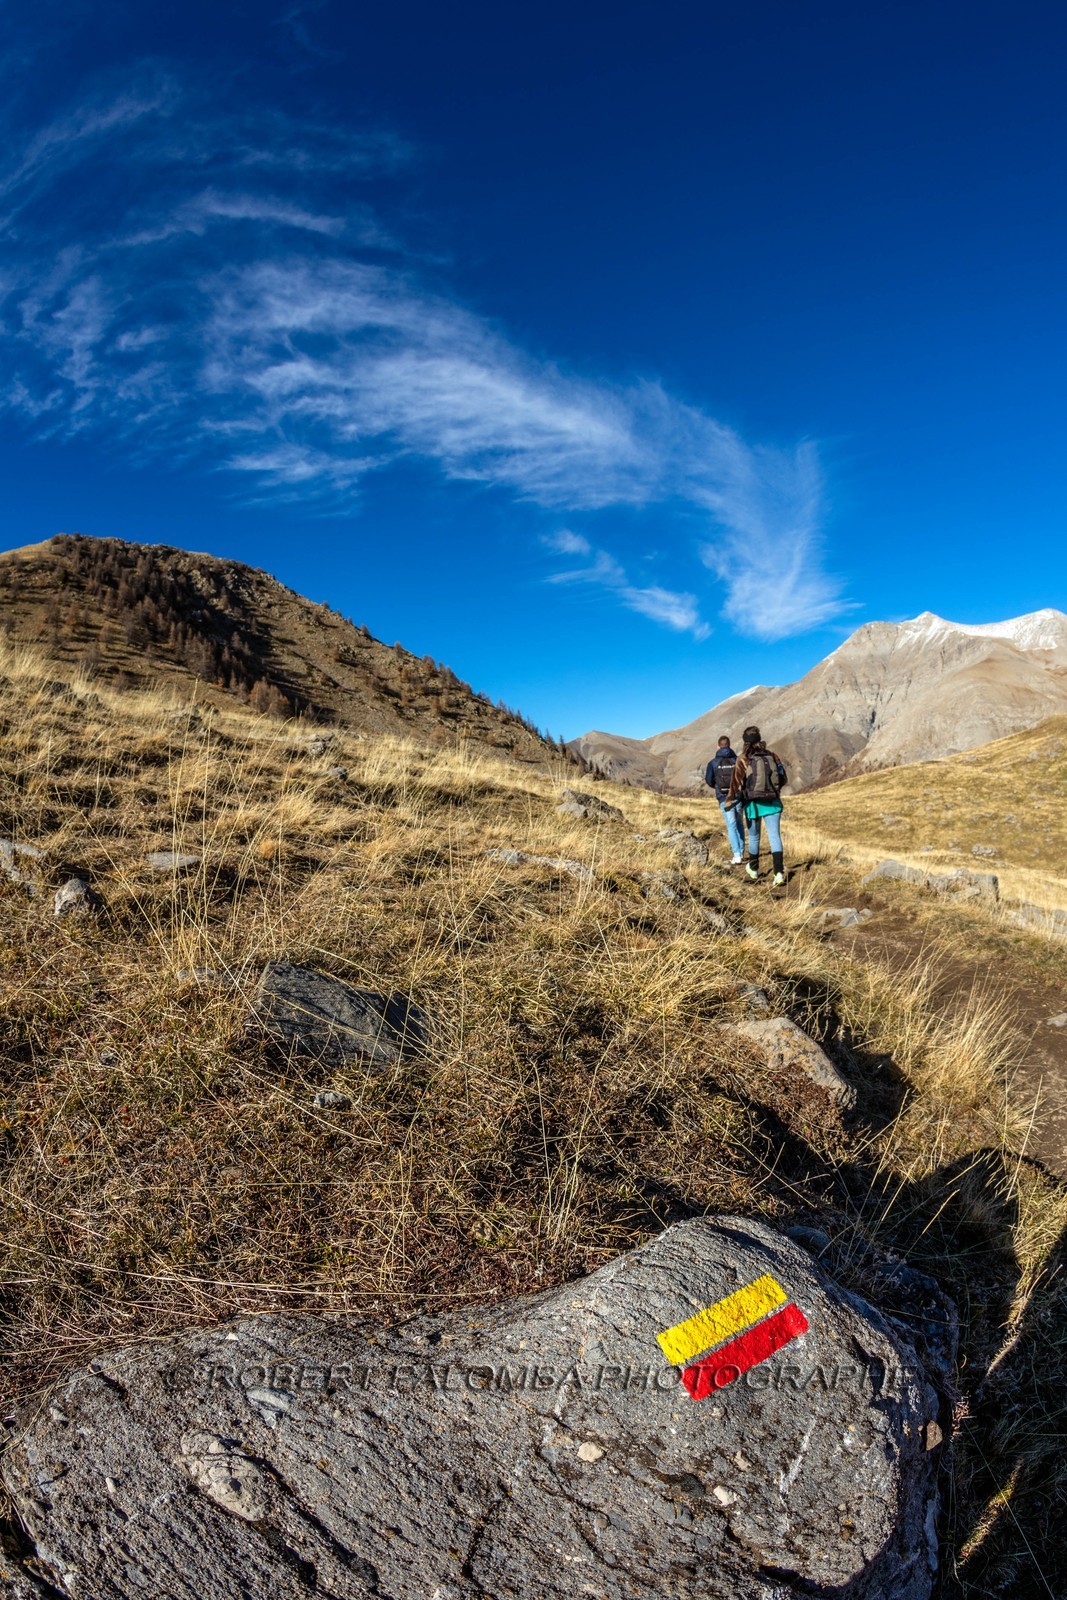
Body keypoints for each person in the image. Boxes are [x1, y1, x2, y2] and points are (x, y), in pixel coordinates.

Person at [725, 725, 788, 885]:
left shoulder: (743, 758)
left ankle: (753, 870)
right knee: (775, 836)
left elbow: (735, 783)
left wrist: (730, 800)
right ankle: (779, 874)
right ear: (759, 739)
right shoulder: (773, 756)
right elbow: (783, 779)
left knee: (754, 837)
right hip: (773, 802)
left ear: (745, 741)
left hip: (753, 803)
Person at [705, 735, 744, 864]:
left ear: (718, 746)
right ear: (730, 746)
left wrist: (718, 787)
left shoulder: (713, 763)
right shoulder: (737, 760)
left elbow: (709, 780)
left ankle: (737, 855)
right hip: (737, 796)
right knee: (739, 824)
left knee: (731, 826)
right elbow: (743, 777)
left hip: (723, 798)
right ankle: (742, 852)